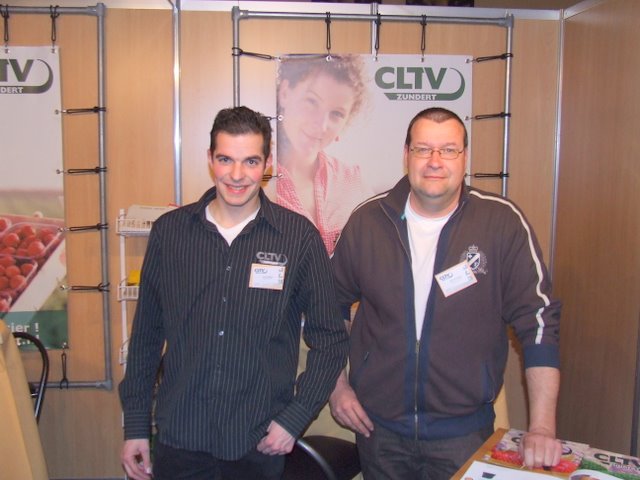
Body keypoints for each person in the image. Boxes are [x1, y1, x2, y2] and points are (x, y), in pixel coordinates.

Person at [328, 107, 562, 479]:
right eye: (423, 149)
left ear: (465, 157)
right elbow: (330, 307)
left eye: (449, 150)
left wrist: (543, 427)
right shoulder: (368, 221)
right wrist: (337, 386)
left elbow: (539, 324)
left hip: (464, 435)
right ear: (406, 155)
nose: (435, 161)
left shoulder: (502, 223)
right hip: (379, 432)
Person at [119, 106, 349, 480]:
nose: (237, 175)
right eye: (226, 159)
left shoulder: (298, 238)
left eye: (250, 161)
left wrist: (295, 418)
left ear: (267, 164)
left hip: (258, 443)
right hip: (180, 438)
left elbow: (331, 339)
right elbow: (146, 336)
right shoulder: (170, 233)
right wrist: (135, 425)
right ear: (210, 159)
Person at [275, 54, 373, 254]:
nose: (321, 125)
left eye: (336, 114)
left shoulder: (352, 182)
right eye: (311, 102)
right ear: (284, 93)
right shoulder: (257, 180)